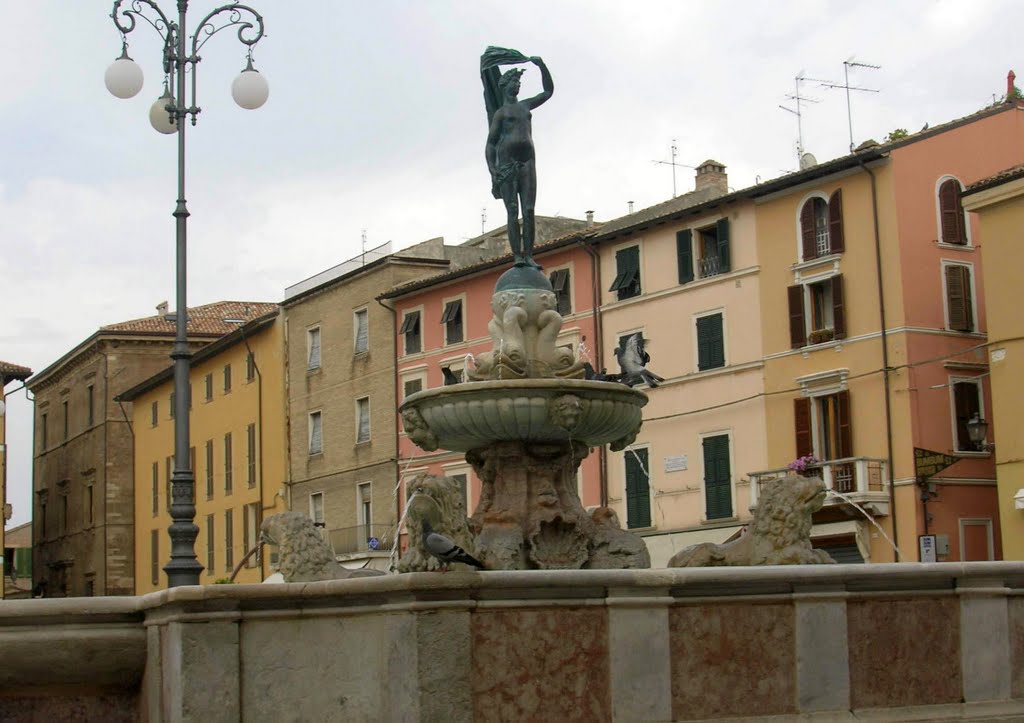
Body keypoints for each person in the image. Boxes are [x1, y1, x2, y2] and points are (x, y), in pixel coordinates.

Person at [485, 56, 553, 268]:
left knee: (529, 209)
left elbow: (548, 92)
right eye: (515, 83)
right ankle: (517, 257)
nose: (518, 86)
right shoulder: (501, 114)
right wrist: (492, 170)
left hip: (528, 162)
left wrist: (542, 66)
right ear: (505, 86)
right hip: (507, 165)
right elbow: (490, 144)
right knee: (513, 209)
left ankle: (529, 255)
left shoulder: (525, 106)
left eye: (519, 84)